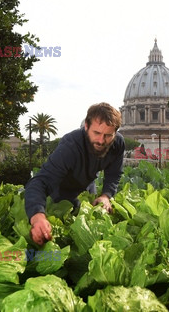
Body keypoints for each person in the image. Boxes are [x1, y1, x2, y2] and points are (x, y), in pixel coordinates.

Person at [25, 102, 125, 245]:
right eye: (96, 133)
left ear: (115, 132)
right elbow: (40, 182)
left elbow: (114, 173)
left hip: (87, 187)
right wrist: (37, 217)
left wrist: (106, 195)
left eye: (108, 135)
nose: (101, 141)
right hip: (60, 192)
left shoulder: (118, 143)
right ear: (86, 126)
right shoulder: (70, 147)